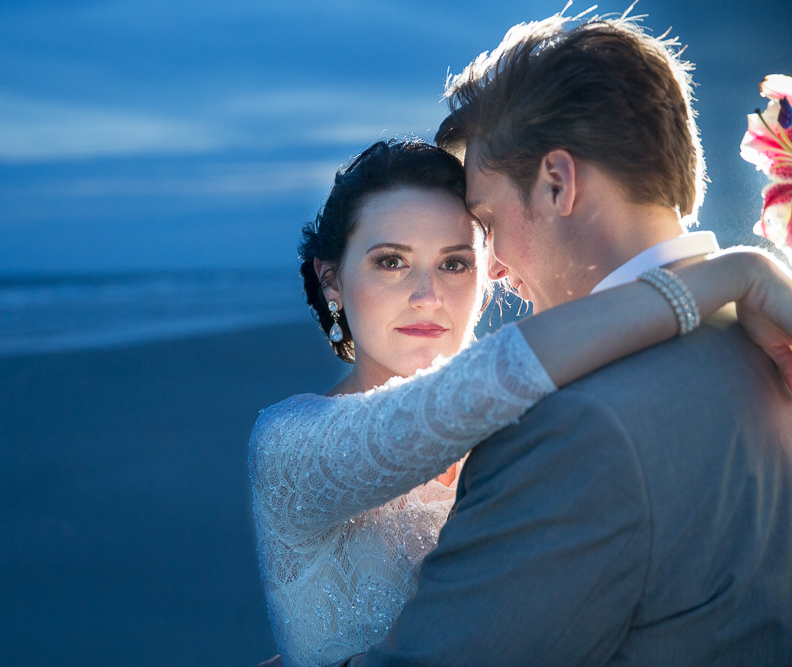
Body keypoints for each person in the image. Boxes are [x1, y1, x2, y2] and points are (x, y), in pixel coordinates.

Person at [324, 10, 792, 666]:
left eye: (487, 219)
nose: (491, 267)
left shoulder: (573, 425)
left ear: (557, 182)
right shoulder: (764, 341)